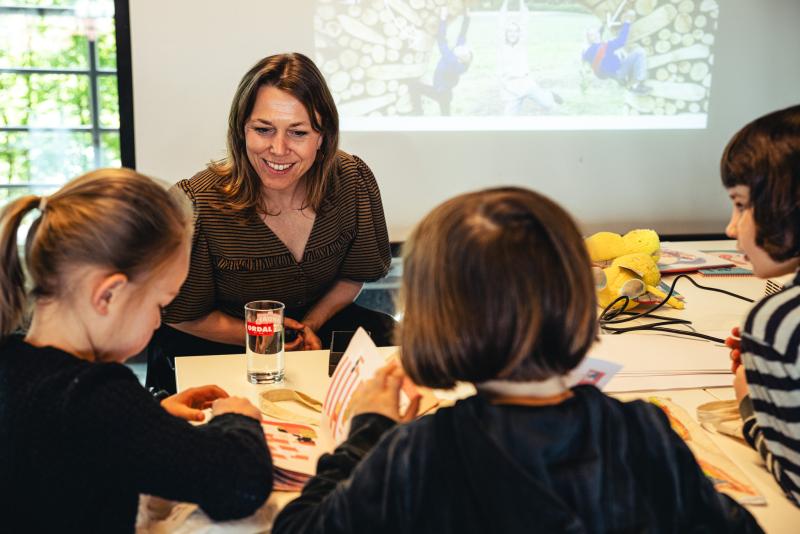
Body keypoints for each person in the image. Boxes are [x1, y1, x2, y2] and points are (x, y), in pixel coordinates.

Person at [272, 187, 762, 533]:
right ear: (575, 299)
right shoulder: (640, 434)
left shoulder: (420, 451)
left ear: (432, 319)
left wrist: (367, 434)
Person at [0, 169, 272, 532]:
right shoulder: (93, 395)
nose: (159, 322)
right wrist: (237, 419)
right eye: (160, 304)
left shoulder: (13, 362)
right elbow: (241, 485)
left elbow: (70, 449)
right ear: (108, 295)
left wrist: (150, 419)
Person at [150, 53, 394, 392]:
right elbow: (183, 315)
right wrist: (269, 337)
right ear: (241, 131)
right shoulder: (197, 204)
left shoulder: (352, 180)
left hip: (316, 328)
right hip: (221, 343)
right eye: (263, 130)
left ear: (322, 137)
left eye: (298, 132)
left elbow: (354, 273)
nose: (278, 149)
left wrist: (310, 323)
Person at [721, 104, 800, 506]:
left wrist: (751, 402)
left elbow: (796, 479)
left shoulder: (777, 320)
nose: (731, 228)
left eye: (739, 205)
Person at [498, 0, 563, 114]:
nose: (512, 33)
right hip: (511, 87)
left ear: (519, 33)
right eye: (509, 31)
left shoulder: (521, 44)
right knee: (508, 120)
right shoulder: (503, 45)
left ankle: (549, 95)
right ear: (505, 33)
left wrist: (521, 1)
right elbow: (501, 20)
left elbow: (524, 19)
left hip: (526, 83)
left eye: (515, 31)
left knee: (548, 104)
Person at [409, 5, 472, 116]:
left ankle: (418, 112)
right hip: (446, 93)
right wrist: (467, 18)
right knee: (446, 115)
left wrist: (443, 19)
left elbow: (441, 39)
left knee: (414, 87)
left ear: (460, 59)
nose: (461, 46)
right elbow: (462, 35)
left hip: (440, 93)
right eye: (465, 48)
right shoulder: (458, 54)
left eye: (463, 50)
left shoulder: (451, 60)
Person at [582, 9, 650, 94]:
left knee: (622, 54)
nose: (596, 35)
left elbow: (597, 38)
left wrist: (603, 26)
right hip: (619, 71)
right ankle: (636, 85)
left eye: (596, 33)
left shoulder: (587, 51)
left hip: (611, 74)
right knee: (640, 52)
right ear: (588, 38)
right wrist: (627, 23)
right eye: (592, 35)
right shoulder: (604, 47)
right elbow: (621, 41)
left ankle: (626, 80)